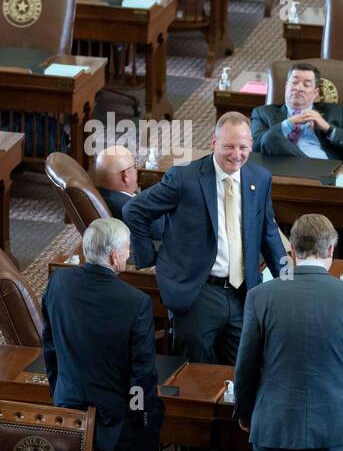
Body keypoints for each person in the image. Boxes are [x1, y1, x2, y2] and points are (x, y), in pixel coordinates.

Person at [123, 112, 287, 366]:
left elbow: (269, 233)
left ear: (251, 146)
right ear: (214, 143)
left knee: (241, 374)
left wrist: (288, 282)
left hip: (242, 294)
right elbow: (134, 210)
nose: (236, 154)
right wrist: (150, 260)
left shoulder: (260, 179)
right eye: (229, 146)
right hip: (196, 293)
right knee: (194, 376)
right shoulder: (183, 178)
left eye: (243, 147)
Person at [233, 214, 343, 451]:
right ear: (331, 250)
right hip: (334, 421)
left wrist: (245, 412)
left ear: (292, 251)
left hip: (276, 422)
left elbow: (246, 364)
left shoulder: (261, 296)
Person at [41, 218, 164, 451]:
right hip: (116, 424)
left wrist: (58, 392)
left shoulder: (58, 282)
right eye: (128, 249)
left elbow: (49, 346)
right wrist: (141, 418)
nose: (130, 254)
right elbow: (141, 375)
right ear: (113, 256)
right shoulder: (136, 302)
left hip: (67, 410)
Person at [249, 63, 343, 161]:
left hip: (324, 169)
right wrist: (288, 124)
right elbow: (255, 146)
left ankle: (309, 168)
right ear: (286, 86)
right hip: (282, 170)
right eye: (294, 82)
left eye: (306, 84)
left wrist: (328, 128)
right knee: (270, 137)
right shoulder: (263, 113)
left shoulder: (336, 112)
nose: (299, 88)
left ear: (315, 92)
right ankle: (308, 166)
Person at [92, 144, 162, 239]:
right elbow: (160, 230)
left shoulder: (101, 194)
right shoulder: (131, 208)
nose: (136, 171)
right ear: (125, 176)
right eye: (134, 167)